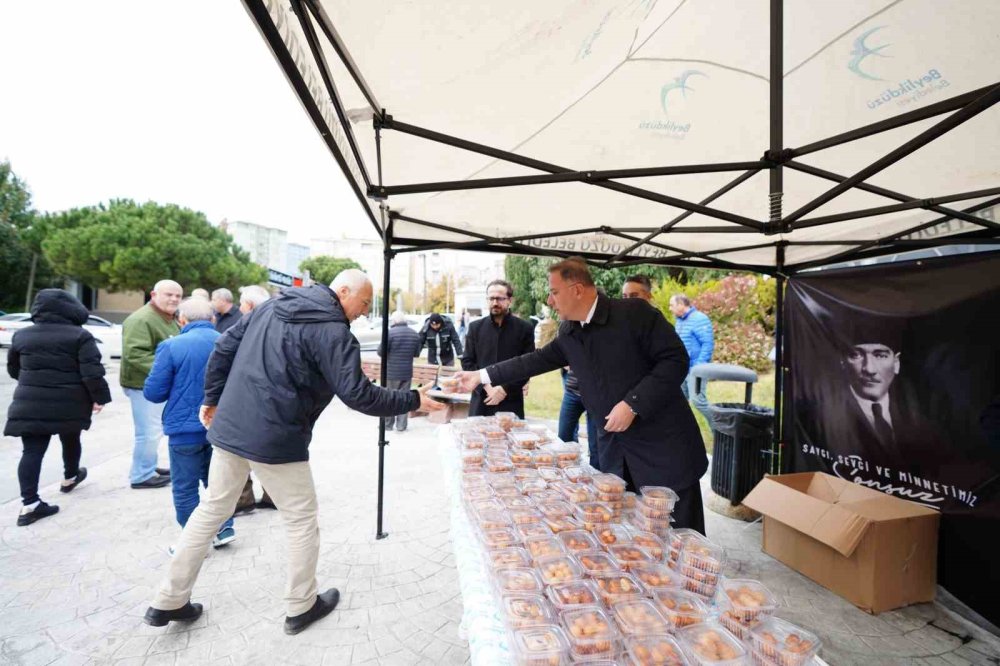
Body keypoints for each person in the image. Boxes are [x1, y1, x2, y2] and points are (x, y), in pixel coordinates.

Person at [143, 269, 444, 634]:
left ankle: (167, 600)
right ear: (343, 291)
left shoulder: (273, 305)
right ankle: (302, 606)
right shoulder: (334, 332)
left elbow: (224, 346)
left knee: (211, 511)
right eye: (364, 303)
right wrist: (414, 399)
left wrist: (213, 398)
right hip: (275, 439)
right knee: (301, 518)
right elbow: (360, 395)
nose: (365, 312)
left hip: (233, 427)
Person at [452, 258, 708, 533]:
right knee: (632, 542)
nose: (550, 301)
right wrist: (481, 375)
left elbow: (675, 360)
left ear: (577, 289)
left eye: (554, 292)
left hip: (663, 451)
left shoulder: (635, 313)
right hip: (617, 457)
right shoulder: (570, 331)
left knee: (682, 542)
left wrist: (633, 404)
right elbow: (534, 361)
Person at [4, 290, 111, 526]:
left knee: (31, 451)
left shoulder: (22, 336)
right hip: (70, 400)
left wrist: (33, 380)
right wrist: (99, 397)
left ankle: (30, 504)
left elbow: (13, 369)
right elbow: (92, 373)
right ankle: (70, 477)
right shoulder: (80, 336)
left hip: (29, 401)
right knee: (71, 437)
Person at [143, 298, 235, 551]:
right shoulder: (229, 344)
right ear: (213, 319)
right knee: (217, 484)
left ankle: (193, 542)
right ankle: (225, 527)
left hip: (184, 430)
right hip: (221, 427)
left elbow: (153, 393)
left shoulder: (171, 346)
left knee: (185, 488)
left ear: (182, 320)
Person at [121, 280, 182, 489]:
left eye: (178, 296)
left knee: (153, 430)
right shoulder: (142, 319)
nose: (174, 299)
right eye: (169, 294)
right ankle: (141, 475)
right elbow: (135, 355)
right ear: (153, 294)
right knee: (149, 431)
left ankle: (147, 466)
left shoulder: (165, 318)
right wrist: (168, 372)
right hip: (142, 385)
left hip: (153, 384)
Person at [461, 280, 535, 417]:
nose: (495, 303)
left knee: (510, 437)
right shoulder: (475, 328)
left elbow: (528, 366)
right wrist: (487, 387)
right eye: (491, 298)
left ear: (509, 300)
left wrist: (504, 389)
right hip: (482, 400)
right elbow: (467, 362)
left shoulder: (525, 329)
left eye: (500, 298)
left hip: (511, 400)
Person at [232, 283, 276, 514]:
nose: (239, 308)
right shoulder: (277, 326)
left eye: (241, 303)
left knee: (241, 451)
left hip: (249, 400)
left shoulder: (246, 329)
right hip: (271, 403)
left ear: (248, 305)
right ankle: (272, 495)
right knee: (269, 449)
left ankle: (244, 499)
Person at [669, 293, 714, 423]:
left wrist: (698, 368)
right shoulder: (679, 321)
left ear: (681, 305)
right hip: (682, 369)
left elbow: (707, 344)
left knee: (698, 401)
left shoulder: (700, 319)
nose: (670, 309)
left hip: (696, 369)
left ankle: (719, 428)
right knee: (679, 403)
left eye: (672, 305)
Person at [377, 310, 423, 432]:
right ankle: (402, 425)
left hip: (391, 372)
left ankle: (388, 425)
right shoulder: (414, 334)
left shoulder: (389, 333)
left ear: (395, 321)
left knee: (389, 398)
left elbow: (380, 352)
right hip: (407, 372)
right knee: (404, 398)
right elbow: (417, 354)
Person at [558, 367, 599, 467]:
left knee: (595, 445)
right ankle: (568, 473)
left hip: (596, 395)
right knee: (563, 436)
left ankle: (596, 478)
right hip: (572, 392)